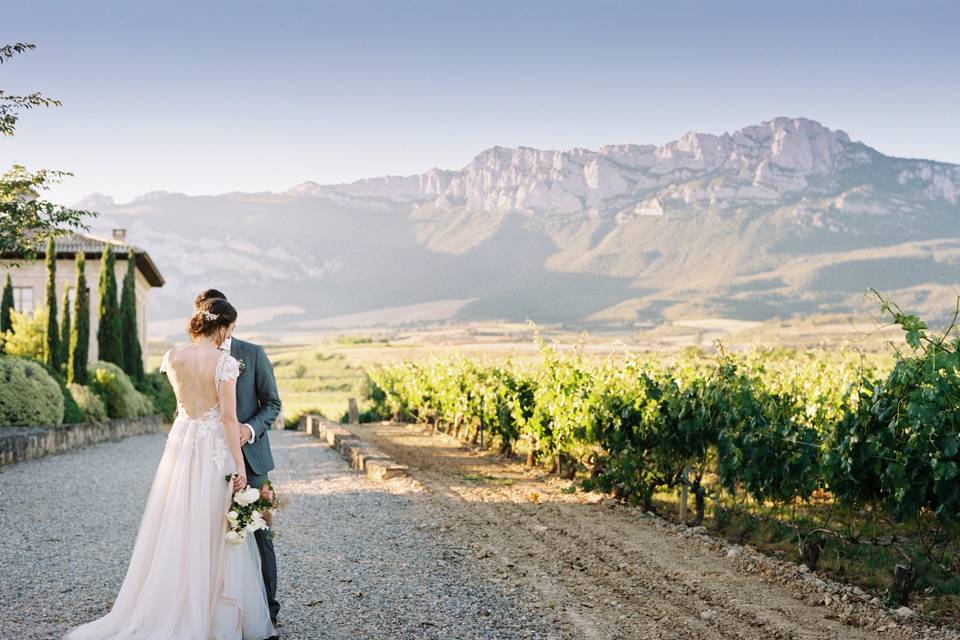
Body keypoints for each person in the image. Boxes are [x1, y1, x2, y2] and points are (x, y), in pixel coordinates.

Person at [64, 298, 276, 640]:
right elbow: (226, 418)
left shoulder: (172, 358)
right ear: (221, 326)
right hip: (212, 450)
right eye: (230, 328)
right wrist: (239, 465)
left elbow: (183, 409)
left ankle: (170, 605)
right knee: (212, 529)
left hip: (183, 447)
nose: (230, 336)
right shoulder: (224, 362)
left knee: (178, 524)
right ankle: (210, 616)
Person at [194, 289, 282, 626]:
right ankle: (218, 612)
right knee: (212, 536)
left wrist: (250, 429)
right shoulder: (193, 358)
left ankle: (267, 612)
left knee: (259, 534)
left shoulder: (252, 354)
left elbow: (272, 402)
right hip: (209, 460)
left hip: (252, 459)